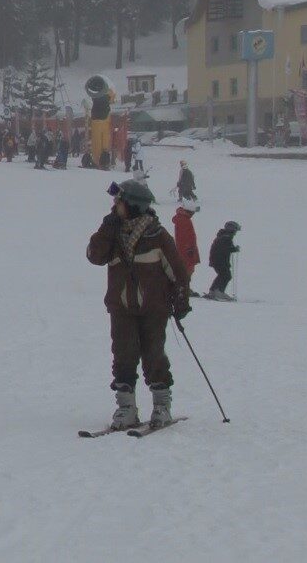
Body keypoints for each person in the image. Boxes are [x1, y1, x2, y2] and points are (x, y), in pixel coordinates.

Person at [87, 178, 190, 430]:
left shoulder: (157, 236)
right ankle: (126, 407)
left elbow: (177, 270)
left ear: (132, 205)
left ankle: (161, 405)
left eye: (119, 201)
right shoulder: (112, 233)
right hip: (121, 308)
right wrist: (105, 229)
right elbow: (94, 256)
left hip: (154, 309)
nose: (115, 205)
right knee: (123, 355)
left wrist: (181, 299)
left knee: (154, 355)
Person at [207, 221, 241, 301]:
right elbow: (224, 249)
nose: (235, 232)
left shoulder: (223, 236)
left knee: (222, 275)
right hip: (220, 261)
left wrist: (233, 249)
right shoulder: (226, 237)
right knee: (226, 275)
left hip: (217, 260)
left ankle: (213, 291)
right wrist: (234, 249)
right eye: (235, 230)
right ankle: (219, 291)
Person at [172, 200, 201, 292]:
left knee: (188, 270)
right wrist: (189, 248)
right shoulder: (184, 220)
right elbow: (184, 237)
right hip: (186, 250)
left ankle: (184, 287)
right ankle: (183, 287)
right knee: (187, 270)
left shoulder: (183, 219)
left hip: (186, 249)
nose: (193, 214)